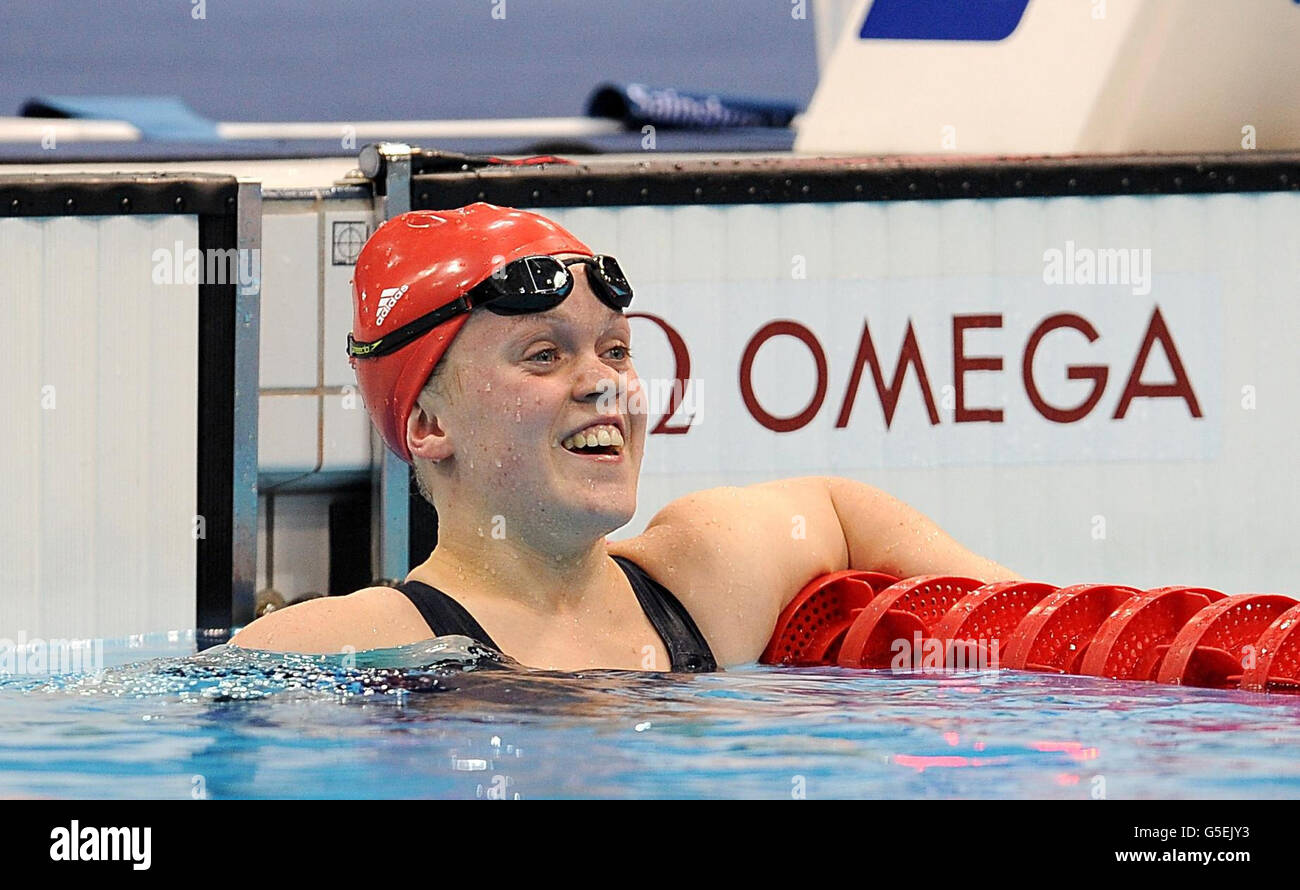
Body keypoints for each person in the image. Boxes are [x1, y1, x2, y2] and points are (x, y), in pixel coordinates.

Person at [231, 203, 1021, 671]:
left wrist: (1022, 617)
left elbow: (839, 509)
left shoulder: (701, 580)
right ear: (430, 425)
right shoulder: (344, 643)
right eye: (544, 355)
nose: (604, 381)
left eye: (615, 349)